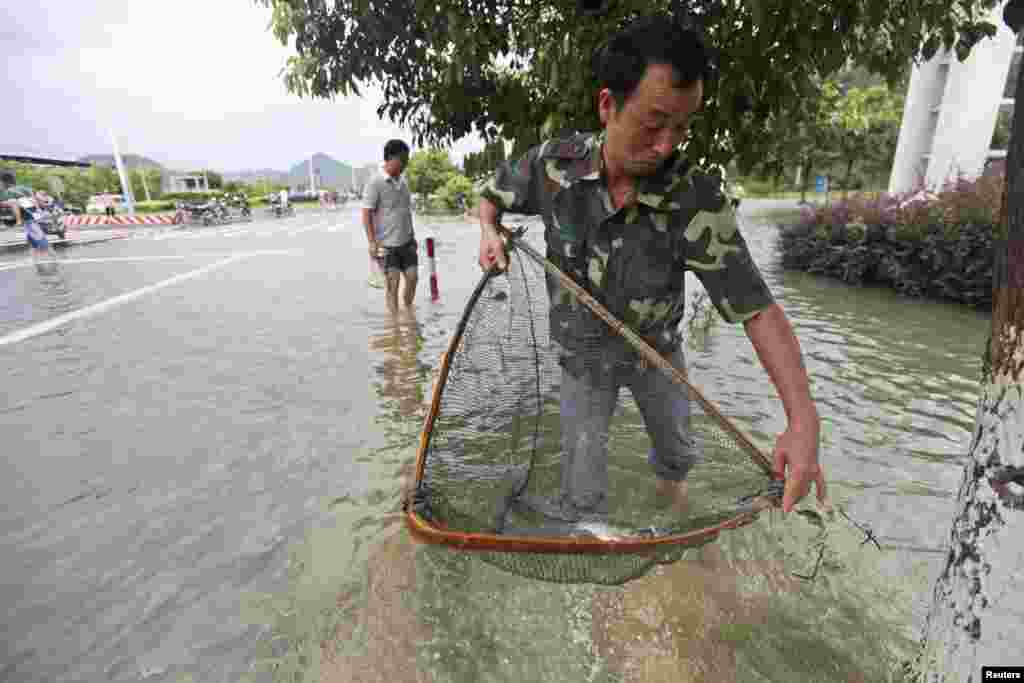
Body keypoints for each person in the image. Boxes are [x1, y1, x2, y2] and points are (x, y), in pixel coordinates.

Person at [475, 15, 826, 519]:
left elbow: (757, 310)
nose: (666, 145)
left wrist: (802, 420)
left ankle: (670, 509)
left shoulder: (695, 200)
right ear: (607, 106)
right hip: (581, 360)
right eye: (653, 123)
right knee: (583, 490)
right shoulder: (551, 167)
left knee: (678, 456)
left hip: (658, 355)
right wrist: (489, 230)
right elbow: (491, 198)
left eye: (682, 128)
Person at [362, 140, 418, 312]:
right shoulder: (375, 181)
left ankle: (409, 314)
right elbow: (366, 213)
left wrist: (413, 236)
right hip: (387, 246)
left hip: (407, 242)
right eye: (403, 159)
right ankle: (394, 325)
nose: (406, 163)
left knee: (413, 278)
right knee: (393, 285)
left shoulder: (404, 181)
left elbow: (405, 211)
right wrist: (372, 242)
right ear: (391, 158)